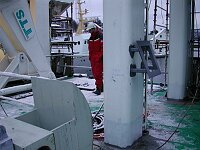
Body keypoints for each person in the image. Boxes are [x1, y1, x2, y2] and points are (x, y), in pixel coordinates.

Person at [86, 22, 103, 95]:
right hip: (93, 59)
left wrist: (99, 57)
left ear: (93, 29)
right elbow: (90, 49)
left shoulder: (100, 36)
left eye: (90, 30)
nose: (89, 32)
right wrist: (90, 57)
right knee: (95, 74)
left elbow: (103, 48)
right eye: (89, 30)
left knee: (97, 74)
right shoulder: (91, 38)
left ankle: (99, 88)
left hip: (98, 59)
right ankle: (101, 87)